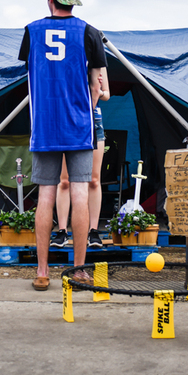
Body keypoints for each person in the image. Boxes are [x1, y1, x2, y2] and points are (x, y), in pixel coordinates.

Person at [18, 0, 107, 291]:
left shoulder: (31, 31)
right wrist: (86, 107)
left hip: (44, 126)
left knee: (45, 195)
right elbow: (98, 85)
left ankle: (42, 272)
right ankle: (79, 270)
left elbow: (28, 72)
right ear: (73, 1)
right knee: (80, 194)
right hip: (79, 126)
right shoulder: (90, 33)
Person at [51, 68, 110, 249]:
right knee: (64, 181)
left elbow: (107, 94)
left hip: (92, 120)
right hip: (66, 119)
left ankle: (93, 231)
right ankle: (62, 231)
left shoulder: (98, 62)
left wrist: (98, 91)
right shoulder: (64, 57)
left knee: (94, 179)